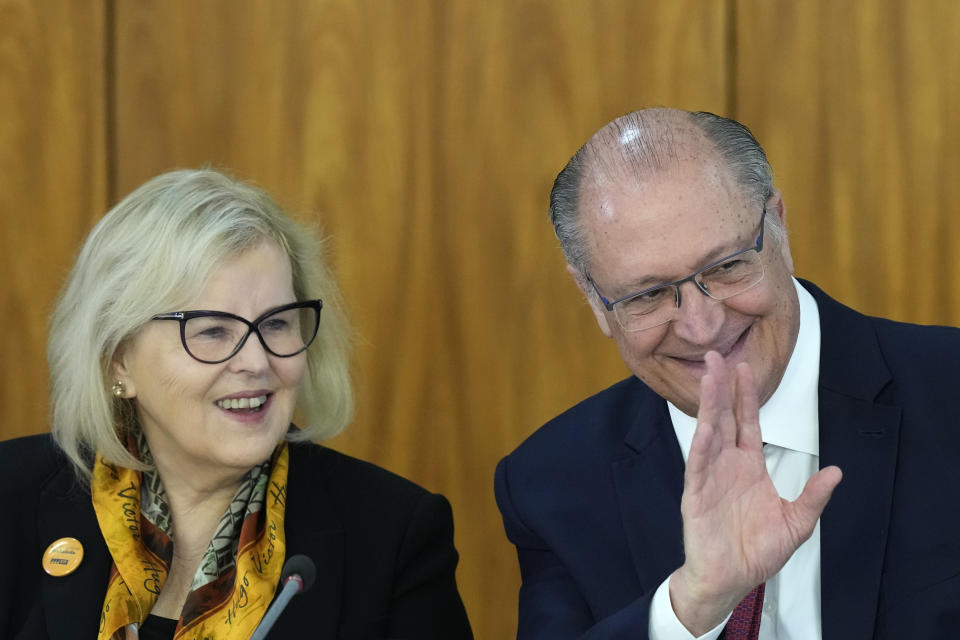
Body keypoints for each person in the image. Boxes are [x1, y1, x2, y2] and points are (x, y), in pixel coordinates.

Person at [494, 108, 960, 639]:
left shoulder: (949, 390)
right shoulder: (551, 483)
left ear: (779, 225)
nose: (702, 325)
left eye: (727, 266)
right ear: (594, 300)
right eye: (648, 295)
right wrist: (691, 606)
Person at [0, 169, 473, 639]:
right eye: (211, 331)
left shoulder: (392, 535)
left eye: (276, 324)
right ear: (117, 361)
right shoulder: (9, 497)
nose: (256, 360)